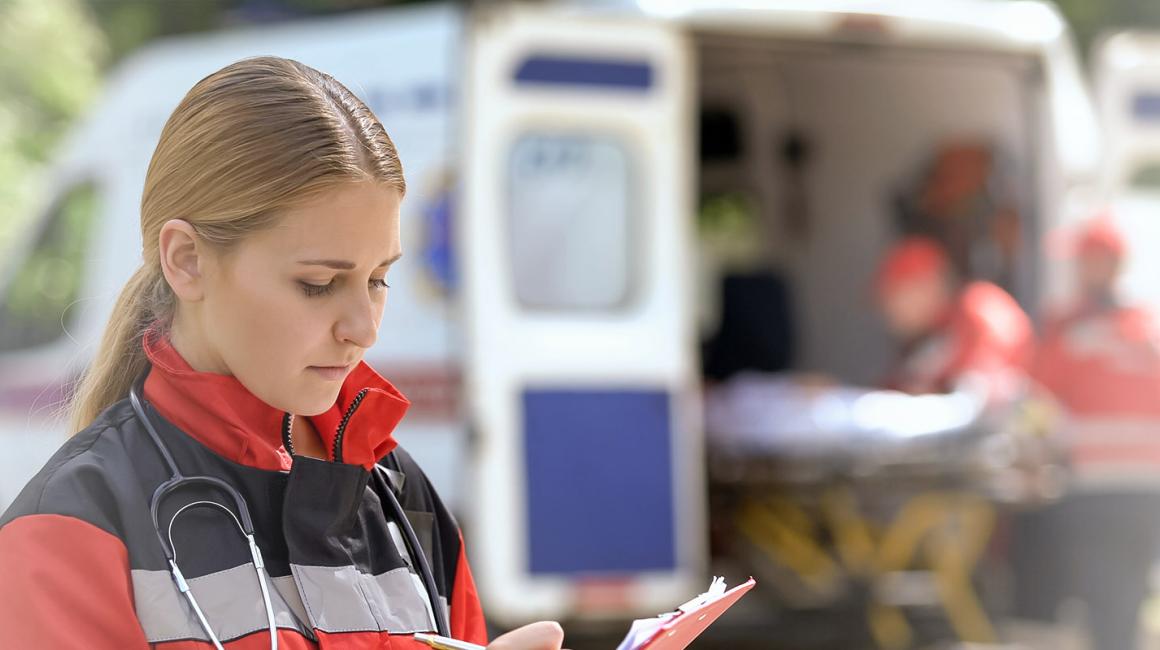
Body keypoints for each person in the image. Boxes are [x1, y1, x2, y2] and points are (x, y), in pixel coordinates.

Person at [0, 57, 565, 650]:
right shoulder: (68, 528)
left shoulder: (400, 496)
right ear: (187, 259)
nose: (363, 330)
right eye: (319, 283)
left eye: (378, 280)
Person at [1019, 215, 1160, 650]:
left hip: (1093, 491)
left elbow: (1035, 402)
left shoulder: (1068, 331)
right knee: (1127, 599)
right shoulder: (1147, 328)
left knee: (1102, 605)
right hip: (1143, 492)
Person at [874, 236, 1034, 397]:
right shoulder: (930, 334)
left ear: (925, 286)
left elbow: (990, 387)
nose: (888, 311)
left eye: (894, 296)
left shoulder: (978, 306)